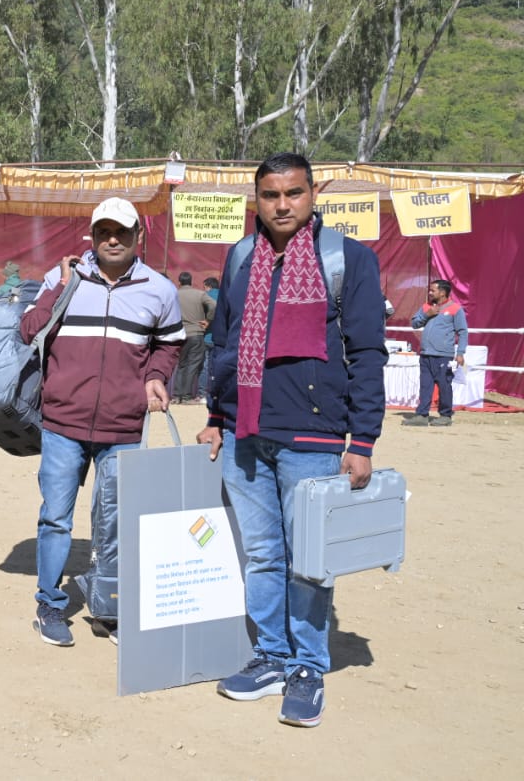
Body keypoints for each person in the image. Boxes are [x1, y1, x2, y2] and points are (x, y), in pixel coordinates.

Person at [197, 152, 386, 728]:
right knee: (262, 554)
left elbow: (368, 351)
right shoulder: (240, 258)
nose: (282, 205)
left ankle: (308, 666)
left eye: (294, 194)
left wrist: (364, 440)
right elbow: (222, 342)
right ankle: (272, 656)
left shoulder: (347, 260)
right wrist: (214, 412)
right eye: (271, 195)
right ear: (257, 199)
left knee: (308, 561)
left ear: (312, 195)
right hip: (243, 433)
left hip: (313, 435)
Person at [19, 197, 183, 647]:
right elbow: (29, 329)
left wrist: (155, 376)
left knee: (115, 521)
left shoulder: (159, 289)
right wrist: (62, 287)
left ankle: (108, 607)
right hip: (62, 423)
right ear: (91, 236)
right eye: (104, 232)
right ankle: (50, 604)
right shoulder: (63, 277)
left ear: (138, 237)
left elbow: (170, 344)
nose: (112, 240)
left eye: (122, 232)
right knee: (55, 518)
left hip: (124, 428)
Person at [403, 279, 467, 427]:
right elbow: (414, 324)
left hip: (443, 355)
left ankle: (445, 415)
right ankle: (422, 415)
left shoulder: (455, 309)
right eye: (430, 290)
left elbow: (462, 332)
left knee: (444, 385)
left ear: (443, 292)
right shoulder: (426, 307)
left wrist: (461, 352)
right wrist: (428, 314)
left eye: (433, 290)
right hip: (425, 354)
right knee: (425, 386)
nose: (430, 292)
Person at [173, 271, 215, 403]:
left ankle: (176, 395)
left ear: (179, 282)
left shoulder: (174, 294)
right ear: (191, 281)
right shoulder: (200, 294)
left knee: (181, 365)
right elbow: (214, 305)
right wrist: (208, 320)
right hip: (196, 333)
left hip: (179, 334)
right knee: (192, 365)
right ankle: (186, 396)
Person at [198, 276, 221, 398]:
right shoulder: (225, 296)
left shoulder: (205, 297)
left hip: (207, 337)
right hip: (220, 338)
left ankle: (202, 393)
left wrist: (207, 321)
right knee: (217, 366)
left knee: (205, 365)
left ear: (208, 286)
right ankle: (216, 392)